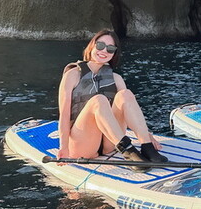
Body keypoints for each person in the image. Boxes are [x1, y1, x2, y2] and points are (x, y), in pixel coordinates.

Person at [57, 29, 167, 163]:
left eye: (110, 48)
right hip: (82, 143)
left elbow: (130, 110)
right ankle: (128, 151)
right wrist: (64, 148)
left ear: (114, 53)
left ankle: (147, 148)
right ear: (92, 45)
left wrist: (148, 137)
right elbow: (63, 115)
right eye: (100, 45)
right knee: (99, 100)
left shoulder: (117, 78)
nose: (104, 51)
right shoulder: (72, 75)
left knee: (125, 94)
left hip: (110, 143)